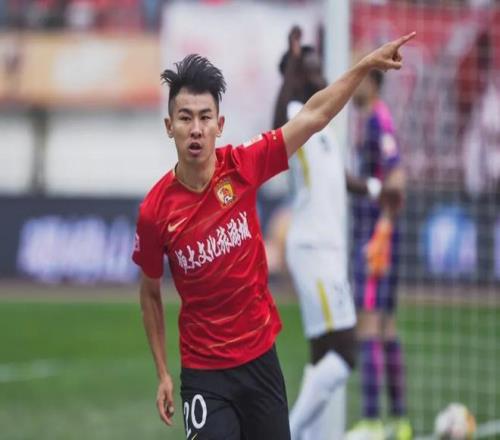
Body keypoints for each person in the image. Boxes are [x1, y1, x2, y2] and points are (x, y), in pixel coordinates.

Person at [132, 32, 415, 440]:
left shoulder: (243, 165)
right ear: (168, 126)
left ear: (220, 125)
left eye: (205, 117)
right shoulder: (154, 211)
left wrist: (365, 65)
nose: (195, 129)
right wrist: (162, 372)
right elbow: (149, 293)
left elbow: (314, 115)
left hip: (260, 362)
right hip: (204, 374)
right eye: (185, 117)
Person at [275, 27, 402, 440]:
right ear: (299, 76)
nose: (320, 74)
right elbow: (276, 130)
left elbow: (341, 178)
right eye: (311, 69)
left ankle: (306, 436)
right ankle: (289, 432)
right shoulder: (295, 112)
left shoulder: (322, 123)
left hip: (327, 248)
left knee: (322, 354)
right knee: (346, 353)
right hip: (314, 248)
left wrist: (378, 189)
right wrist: (291, 68)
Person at [345, 68, 411, 440]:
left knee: (370, 324)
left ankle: (372, 421)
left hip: (376, 238)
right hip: (376, 235)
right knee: (385, 327)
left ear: (371, 83)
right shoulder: (370, 120)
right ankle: (399, 421)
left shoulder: (378, 122)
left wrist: (382, 232)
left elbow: (396, 176)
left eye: (358, 78)